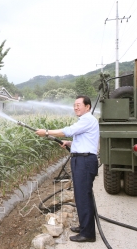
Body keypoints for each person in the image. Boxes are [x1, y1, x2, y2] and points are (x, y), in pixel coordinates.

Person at [35, 95, 99, 243]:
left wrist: (46, 132)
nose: (75, 107)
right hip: (81, 160)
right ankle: (85, 227)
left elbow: (67, 131)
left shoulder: (87, 119)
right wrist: (70, 143)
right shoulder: (85, 121)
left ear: (87, 107)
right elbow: (83, 139)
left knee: (83, 196)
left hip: (84, 161)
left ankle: (88, 233)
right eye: (74, 105)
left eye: (79, 104)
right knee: (81, 195)